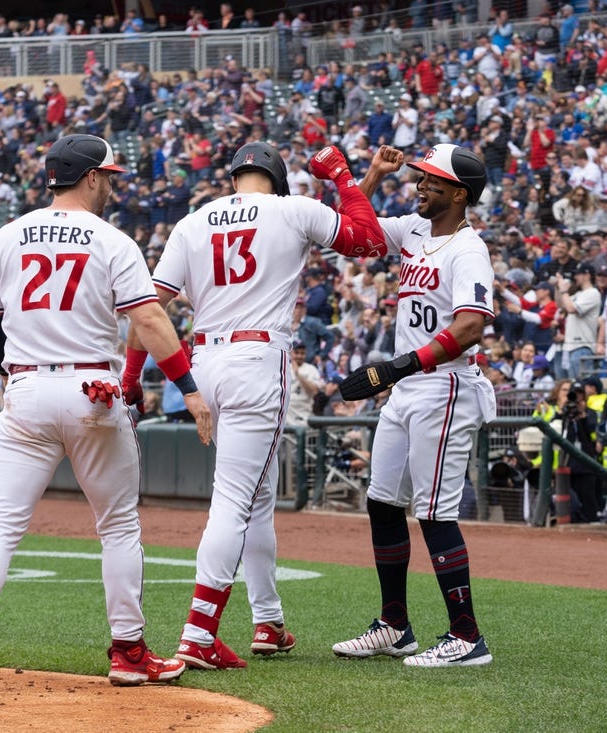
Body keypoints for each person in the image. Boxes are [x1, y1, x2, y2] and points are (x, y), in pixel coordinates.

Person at [0, 134, 212, 692]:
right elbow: (148, 321)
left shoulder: (9, 235)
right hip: (92, 389)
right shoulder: (110, 239)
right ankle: (127, 653)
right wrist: (189, 388)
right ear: (91, 177)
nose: (114, 185)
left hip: (27, 389)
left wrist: (12, 371)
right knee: (119, 526)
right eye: (110, 176)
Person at [123, 140, 385, 670]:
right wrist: (343, 175)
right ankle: (198, 633)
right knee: (235, 501)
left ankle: (268, 622)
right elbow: (369, 238)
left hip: (206, 362)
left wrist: (132, 377)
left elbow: (147, 309)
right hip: (258, 360)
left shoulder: (193, 221)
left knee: (256, 496)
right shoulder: (292, 209)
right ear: (279, 179)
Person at [332, 143, 495, 668]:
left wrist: (398, 367)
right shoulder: (415, 229)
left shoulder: (468, 250)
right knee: (382, 502)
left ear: (459, 193)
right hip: (408, 388)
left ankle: (467, 637)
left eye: (432, 180)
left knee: (433, 512)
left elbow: (470, 327)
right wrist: (373, 174)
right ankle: (395, 626)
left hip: (444, 385)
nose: (421, 185)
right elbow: (353, 235)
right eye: (421, 177)